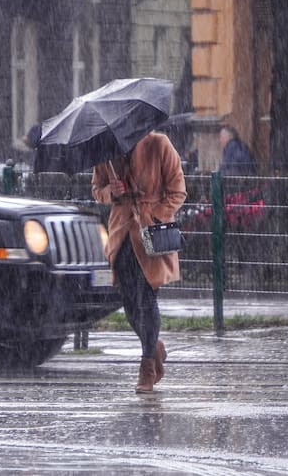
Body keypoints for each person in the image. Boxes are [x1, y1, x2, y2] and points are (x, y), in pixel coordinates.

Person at [92, 131, 187, 394]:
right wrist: (111, 191)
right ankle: (154, 345)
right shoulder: (105, 152)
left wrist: (154, 214)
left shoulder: (159, 144)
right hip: (121, 235)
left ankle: (147, 365)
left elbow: (178, 190)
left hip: (151, 236)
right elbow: (96, 190)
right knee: (130, 303)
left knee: (146, 298)